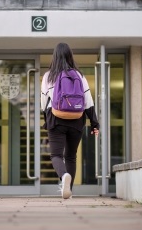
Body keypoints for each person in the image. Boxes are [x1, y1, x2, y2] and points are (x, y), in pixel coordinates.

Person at [41, 42, 100, 199]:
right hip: (76, 119)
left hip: (56, 118)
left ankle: (64, 176)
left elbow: (43, 101)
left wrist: (46, 120)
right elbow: (88, 101)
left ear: (55, 57)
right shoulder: (79, 75)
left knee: (56, 155)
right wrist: (94, 124)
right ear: (70, 56)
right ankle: (69, 190)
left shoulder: (49, 76)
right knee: (71, 156)